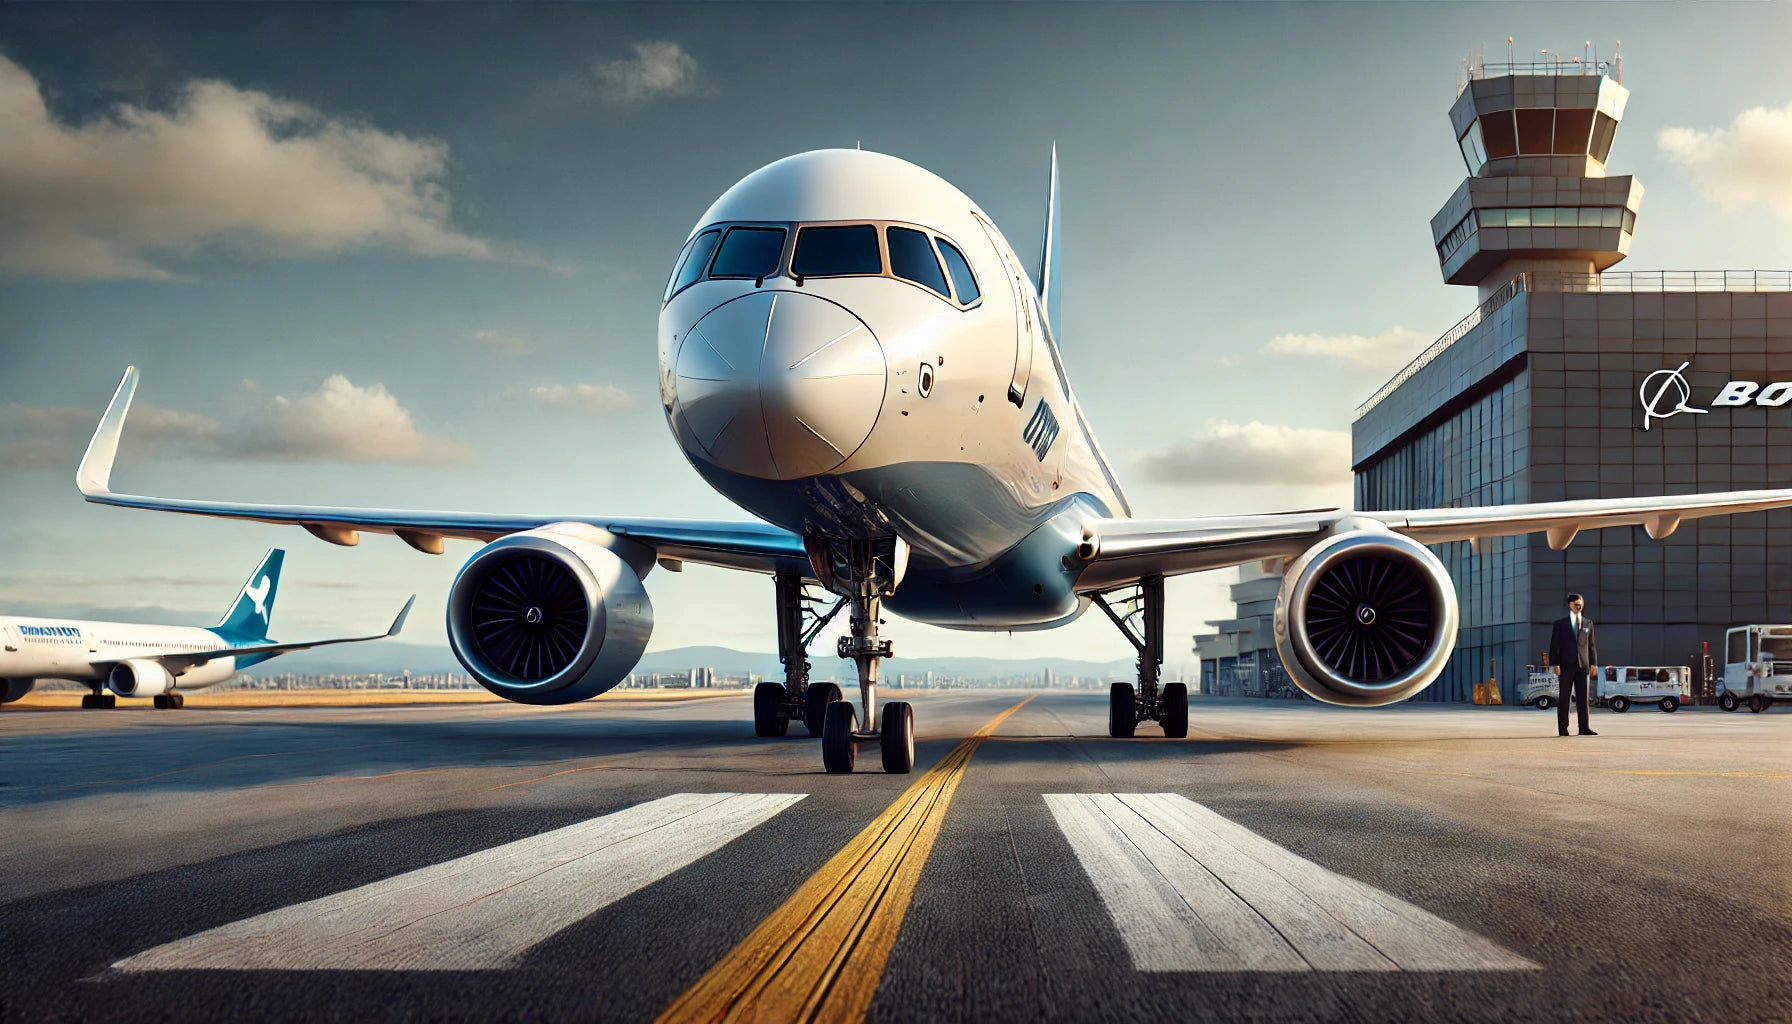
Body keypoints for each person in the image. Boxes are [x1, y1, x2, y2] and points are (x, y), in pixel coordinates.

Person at [1549, 593, 1599, 737]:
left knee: (1583, 698)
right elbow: (1554, 645)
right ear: (1570, 605)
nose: (1579, 607)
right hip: (1565, 665)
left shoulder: (1588, 623)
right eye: (1576, 604)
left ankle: (1584, 728)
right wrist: (1555, 663)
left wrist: (1593, 663)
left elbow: (1591, 645)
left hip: (1583, 666)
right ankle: (1563, 729)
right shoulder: (1560, 624)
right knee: (1564, 698)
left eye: (1581, 604)